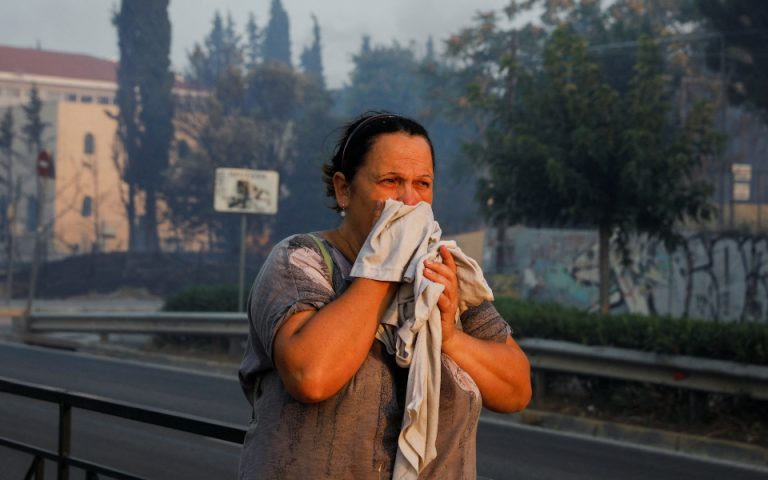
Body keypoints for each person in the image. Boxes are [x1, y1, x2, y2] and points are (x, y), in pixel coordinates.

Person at [238, 112, 531, 479]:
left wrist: (451, 338)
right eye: (391, 181)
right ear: (344, 189)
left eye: (422, 184)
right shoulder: (301, 260)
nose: (409, 201)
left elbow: (516, 390)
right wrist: (385, 266)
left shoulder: (443, 269)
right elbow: (311, 376)